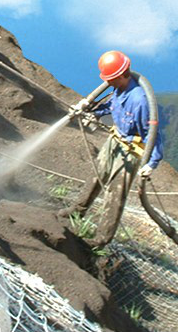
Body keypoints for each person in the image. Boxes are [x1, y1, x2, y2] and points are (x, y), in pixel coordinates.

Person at [61, 50, 164, 248]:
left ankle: (100, 240)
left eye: (110, 78)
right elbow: (109, 107)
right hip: (115, 140)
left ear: (120, 76)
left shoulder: (140, 101)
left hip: (131, 150)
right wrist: (88, 109)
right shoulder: (118, 89)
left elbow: (152, 134)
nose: (107, 82)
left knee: (115, 195)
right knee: (96, 175)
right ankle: (77, 211)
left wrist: (152, 162)